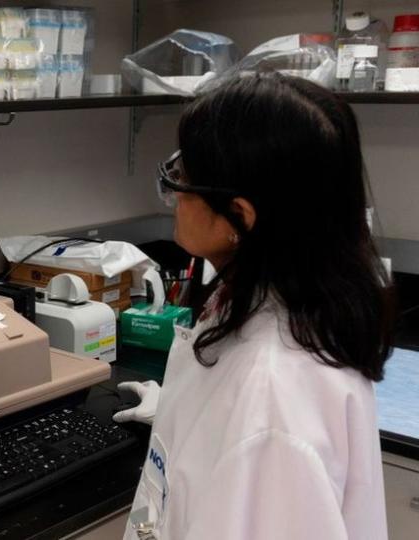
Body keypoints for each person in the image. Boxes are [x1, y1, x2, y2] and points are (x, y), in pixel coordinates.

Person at [113, 74, 395, 539]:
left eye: (185, 178)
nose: (176, 192)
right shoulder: (291, 302)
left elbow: (262, 447)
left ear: (240, 218)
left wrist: (220, 423)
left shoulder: (272, 405)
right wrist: (184, 417)